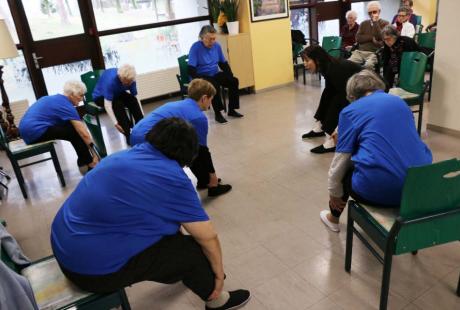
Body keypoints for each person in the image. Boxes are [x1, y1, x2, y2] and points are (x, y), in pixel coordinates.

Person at [50, 117, 251, 310]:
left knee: (169, 228)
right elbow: (207, 236)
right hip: (90, 271)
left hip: (65, 246)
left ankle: (182, 271)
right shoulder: (172, 177)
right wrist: (218, 273)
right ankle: (216, 301)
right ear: (188, 154)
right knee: (192, 251)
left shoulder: (125, 155)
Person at [319, 70, 432, 232]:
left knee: (345, 169)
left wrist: (333, 193)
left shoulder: (350, 111)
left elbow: (341, 160)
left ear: (352, 95)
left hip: (380, 191)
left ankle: (333, 218)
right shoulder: (400, 102)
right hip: (418, 188)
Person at [131, 79, 232, 197]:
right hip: (148, 139)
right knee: (195, 148)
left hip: (136, 133)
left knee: (190, 145)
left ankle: (203, 181)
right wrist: (213, 178)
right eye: (211, 99)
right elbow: (203, 151)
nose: (211, 104)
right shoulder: (198, 117)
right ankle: (212, 185)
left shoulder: (178, 104)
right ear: (204, 98)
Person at [19, 81, 98, 174]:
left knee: (71, 127)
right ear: (72, 94)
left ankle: (83, 161)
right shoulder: (67, 106)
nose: (82, 99)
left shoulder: (57, 99)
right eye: (80, 95)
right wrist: (95, 154)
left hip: (25, 131)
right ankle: (90, 163)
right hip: (34, 132)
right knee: (75, 132)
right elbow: (84, 134)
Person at [301, 45, 362, 154]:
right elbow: (331, 90)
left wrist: (335, 130)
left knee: (337, 101)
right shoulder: (326, 67)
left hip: (367, 88)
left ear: (317, 60)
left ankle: (332, 141)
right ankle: (319, 127)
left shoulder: (335, 69)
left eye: (307, 60)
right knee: (327, 93)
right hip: (351, 86)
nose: (305, 64)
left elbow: (346, 98)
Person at [188, 25, 243, 124]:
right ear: (202, 38)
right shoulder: (195, 48)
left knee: (234, 80)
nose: (212, 42)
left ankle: (232, 109)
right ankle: (218, 113)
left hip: (214, 73)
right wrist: (198, 83)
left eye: (214, 39)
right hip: (202, 76)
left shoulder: (217, 46)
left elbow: (223, 63)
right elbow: (191, 69)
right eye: (210, 39)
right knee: (214, 85)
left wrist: (229, 75)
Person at [92, 64, 144, 143]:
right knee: (117, 104)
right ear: (120, 78)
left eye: (129, 82)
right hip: (100, 96)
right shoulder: (111, 81)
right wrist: (115, 123)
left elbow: (136, 98)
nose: (128, 84)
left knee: (132, 100)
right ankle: (128, 135)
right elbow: (108, 105)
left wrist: (141, 114)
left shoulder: (131, 80)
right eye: (126, 82)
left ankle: (141, 129)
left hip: (117, 93)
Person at [348, 1, 389, 70]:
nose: (372, 14)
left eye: (374, 12)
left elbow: (382, 38)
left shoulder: (385, 23)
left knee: (368, 65)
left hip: (374, 53)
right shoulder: (364, 23)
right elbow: (358, 38)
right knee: (348, 63)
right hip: (360, 52)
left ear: (379, 11)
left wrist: (375, 22)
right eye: (370, 12)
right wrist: (371, 38)